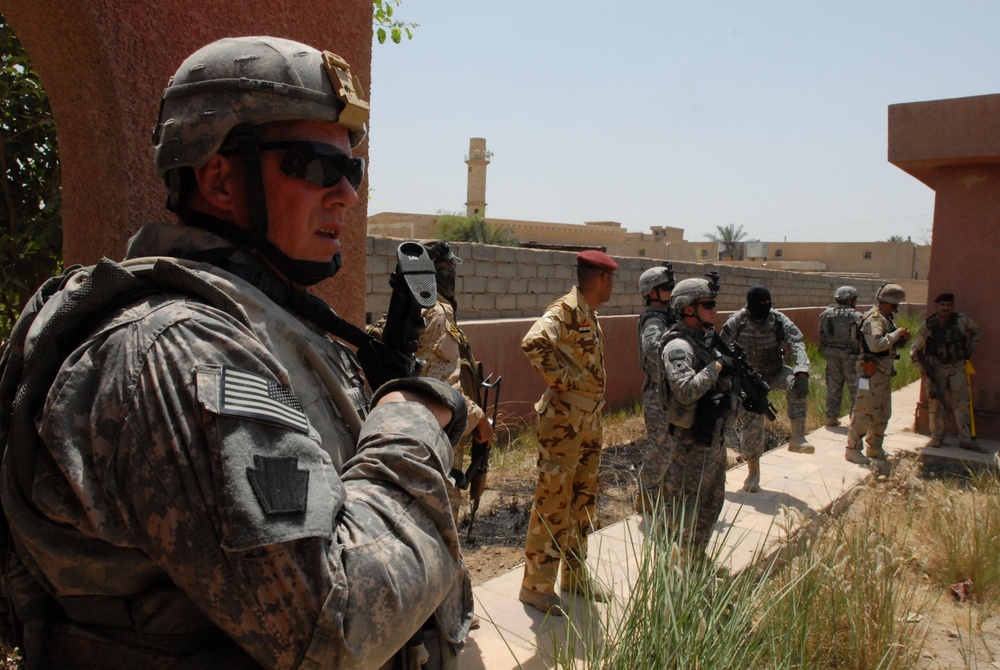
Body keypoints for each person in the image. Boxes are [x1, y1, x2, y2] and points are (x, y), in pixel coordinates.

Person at [0, 36, 472, 668]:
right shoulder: (176, 349)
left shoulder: (258, 321)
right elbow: (336, 623)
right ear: (220, 177)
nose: (347, 194)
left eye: (352, 168)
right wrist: (414, 415)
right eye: (315, 166)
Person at [518, 250, 617, 615]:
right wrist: (565, 381)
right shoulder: (564, 310)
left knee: (582, 501)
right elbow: (533, 342)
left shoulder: (589, 313)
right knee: (553, 501)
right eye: (612, 280)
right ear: (603, 279)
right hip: (564, 422)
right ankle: (535, 586)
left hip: (587, 420)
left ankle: (574, 576)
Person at [412, 240, 494, 520]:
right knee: (440, 522)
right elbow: (443, 385)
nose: (450, 278)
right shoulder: (438, 312)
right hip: (439, 436)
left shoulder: (409, 309)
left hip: (408, 430)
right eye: (446, 270)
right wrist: (478, 419)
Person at [659, 278, 736, 565]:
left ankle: (695, 557)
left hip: (713, 439)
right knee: (686, 508)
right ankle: (675, 565)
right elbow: (686, 390)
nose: (715, 311)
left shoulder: (705, 341)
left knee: (712, 502)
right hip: (691, 443)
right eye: (708, 305)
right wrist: (716, 366)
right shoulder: (678, 346)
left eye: (713, 304)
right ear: (687, 309)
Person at [722, 286, 813, 493]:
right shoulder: (738, 321)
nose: (765, 308)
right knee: (752, 422)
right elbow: (720, 347)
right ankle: (753, 472)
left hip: (775, 372)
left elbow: (797, 343)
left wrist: (801, 372)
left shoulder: (779, 320)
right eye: (760, 305)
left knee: (795, 386)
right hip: (749, 379)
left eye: (767, 303)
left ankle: (797, 437)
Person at [845, 283, 912, 464]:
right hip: (871, 371)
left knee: (882, 412)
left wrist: (900, 338)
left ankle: (874, 447)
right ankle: (853, 449)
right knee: (864, 410)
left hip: (883, 371)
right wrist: (897, 334)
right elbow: (875, 345)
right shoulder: (875, 319)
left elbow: (886, 343)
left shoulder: (885, 318)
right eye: (895, 304)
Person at [909, 293, 984, 452]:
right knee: (936, 404)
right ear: (937, 306)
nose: (945, 308)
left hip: (957, 367)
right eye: (942, 305)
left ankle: (965, 439)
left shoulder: (961, 321)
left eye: (948, 305)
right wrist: (924, 371)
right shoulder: (928, 325)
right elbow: (915, 351)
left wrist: (970, 349)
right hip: (936, 369)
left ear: (952, 306)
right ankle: (937, 437)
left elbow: (976, 331)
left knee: (962, 404)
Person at [635, 264, 678, 514]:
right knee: (659, 445)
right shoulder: (654, 320)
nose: (671, 291)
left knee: (672, 445)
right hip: (659, 392)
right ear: (652, 292)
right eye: (666, 288)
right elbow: (653, 351)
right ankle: (646, 493)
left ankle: (661, 492)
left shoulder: (670, 316)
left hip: (673, 390)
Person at [819, 286, 862, 426]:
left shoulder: (825, 314)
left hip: (832, 354)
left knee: (833, 386)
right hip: (851, 356)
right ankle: (856, 418)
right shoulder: (857, 316)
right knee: (855, 387)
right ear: (850, 299)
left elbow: (821, 335)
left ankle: (831, 417)